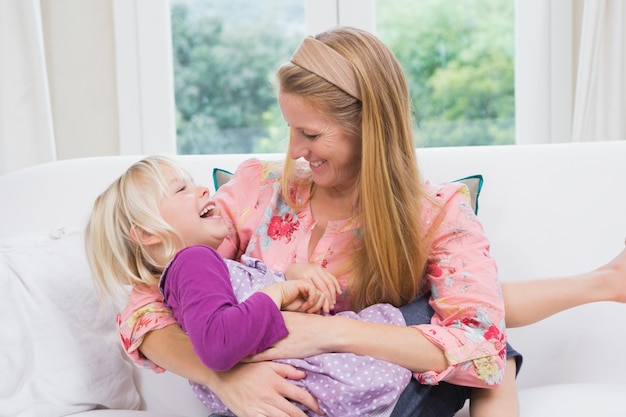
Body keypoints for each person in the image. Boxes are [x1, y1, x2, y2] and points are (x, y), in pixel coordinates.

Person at [104, 26, 626, 417]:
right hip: (282, 401)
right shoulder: (258, 192)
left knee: (477, 338)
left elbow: (479, 345)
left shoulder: (438, 213)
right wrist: (222, 379)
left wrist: (323, 333)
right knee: (471, 336)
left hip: (373, 390)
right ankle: (603, 282)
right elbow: (148, 303)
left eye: (310, 134)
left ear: (367, 130)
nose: (294, 152)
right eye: (289, 128)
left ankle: (603, 282)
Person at [86, 155, 420, 417]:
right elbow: (221, 343)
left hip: (316, 391)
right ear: (147, 233)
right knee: (433, 321)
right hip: (332, 391)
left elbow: (250, 325)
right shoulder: (193, 262)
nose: (203, 189)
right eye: (180, 190)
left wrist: (293, 280)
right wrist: (276, 293)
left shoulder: (206, 269)